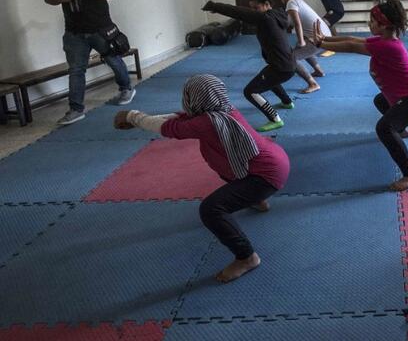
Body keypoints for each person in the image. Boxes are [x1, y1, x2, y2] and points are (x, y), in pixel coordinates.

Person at [114, 74, 289, 284]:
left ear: (194, 98)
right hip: (273, 160)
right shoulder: (224, 109)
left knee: (210, 210)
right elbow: (181, 117)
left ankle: (247, 257)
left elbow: (171, 128)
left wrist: (133, 116)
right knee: (223, 166)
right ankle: (256, 199)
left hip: (264, 176)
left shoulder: (207, 122)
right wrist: (140, 119)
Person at [310, 0, 408, 191]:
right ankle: (401, 129)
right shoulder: (384, 40)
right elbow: (352, 39)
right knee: (380, 100)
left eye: (372, 20)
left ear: (384, 25)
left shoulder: (388, 46)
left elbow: (351, 47)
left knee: (384, 128)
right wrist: (323, 40)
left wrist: (322, 43)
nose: (370, 23)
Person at [43, 0, 135, 126]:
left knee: (113, 60)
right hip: (74, 31)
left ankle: (126, 87)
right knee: (76, 70)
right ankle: (76, 109)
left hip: (100, 28)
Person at [202, 0, 294, 132]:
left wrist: (215, 6)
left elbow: (238, 12)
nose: (253, 11)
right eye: (252, 8)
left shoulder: (265, 18)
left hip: (281, 67)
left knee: (250, 91)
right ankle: (287, 102)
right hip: (287, 64)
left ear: (266, 4)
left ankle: (275, 119)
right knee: (269, 78)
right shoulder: (278, 14)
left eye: (256, 8)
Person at [278, 0, 330, 94]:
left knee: (292, 58)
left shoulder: (291, 3)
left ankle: (313, 84)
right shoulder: (298, 0)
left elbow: (297, 24)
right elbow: (290, 22)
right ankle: (318, 71)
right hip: (325, 35)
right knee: (299, 47)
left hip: (319, 38)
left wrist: (302, 41)